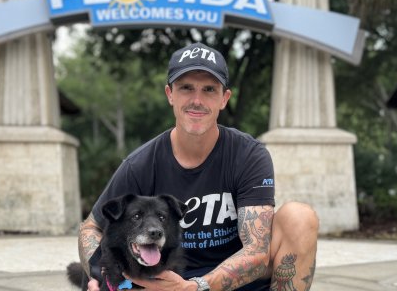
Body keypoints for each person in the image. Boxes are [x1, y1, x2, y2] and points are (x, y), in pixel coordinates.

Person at [78, 42, 319, 291]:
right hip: (164, 283)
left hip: (233, 283)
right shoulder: (140, 164)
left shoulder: (249, 154)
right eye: (186, 88)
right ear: (170, 94)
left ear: (224, 99)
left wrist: (196, 287)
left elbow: (257, 252)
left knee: (299, 217)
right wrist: (101, 273)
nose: (197, 100)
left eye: (209, 90)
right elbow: (91, 227)